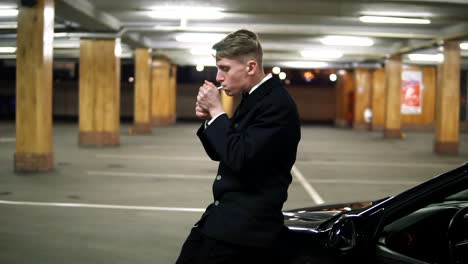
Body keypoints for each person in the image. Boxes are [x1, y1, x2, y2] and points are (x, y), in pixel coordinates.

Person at [176, 29, 301, 264]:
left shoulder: (276, 104)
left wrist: (216, 111)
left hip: (244, 231)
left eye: (225, 68)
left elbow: (240, 157)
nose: (219, 77)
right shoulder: (252, 98)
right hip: (224, 220)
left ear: (251, 67)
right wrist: (210, 119)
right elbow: (221, 151)